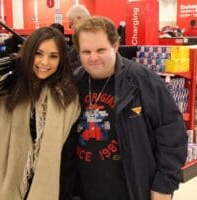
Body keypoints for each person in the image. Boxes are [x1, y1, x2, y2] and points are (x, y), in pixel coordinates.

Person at [72, 16, 188, 200]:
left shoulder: (142, 81)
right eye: (86, 51)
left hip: (132, 190)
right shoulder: (73, 82)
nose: (93, 58)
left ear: (115, 46)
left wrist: (164, 186)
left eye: (100, 50)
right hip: (84, 191)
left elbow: (173, 135)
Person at [0, 27, 80, 200]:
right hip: (6, 184)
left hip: (47, 185)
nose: (44, 62)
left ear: (61, 60)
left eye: (53, 56)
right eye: (38, 54)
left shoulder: (68, 97)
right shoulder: (7, 88)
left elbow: (68, 155)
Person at [66, 4, 90, 70]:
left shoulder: (87, 38)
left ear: (79, 18)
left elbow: (80, 65)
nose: (71, 27)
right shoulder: (83, 36)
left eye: (71, 23)